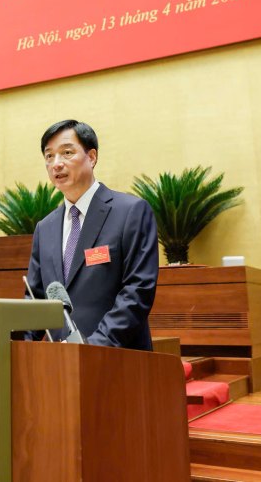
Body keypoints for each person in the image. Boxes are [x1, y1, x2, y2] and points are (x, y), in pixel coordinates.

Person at [25, 119, 159, 349]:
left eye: (66, 153)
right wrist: (18, 349)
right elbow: (35, 299)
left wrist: (92, 347)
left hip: (119, 360)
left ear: (92, 157)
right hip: (59, 365)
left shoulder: (131, 212)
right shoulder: (44, 228)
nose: (56, 163)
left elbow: (137, 292)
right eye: (49, 156)